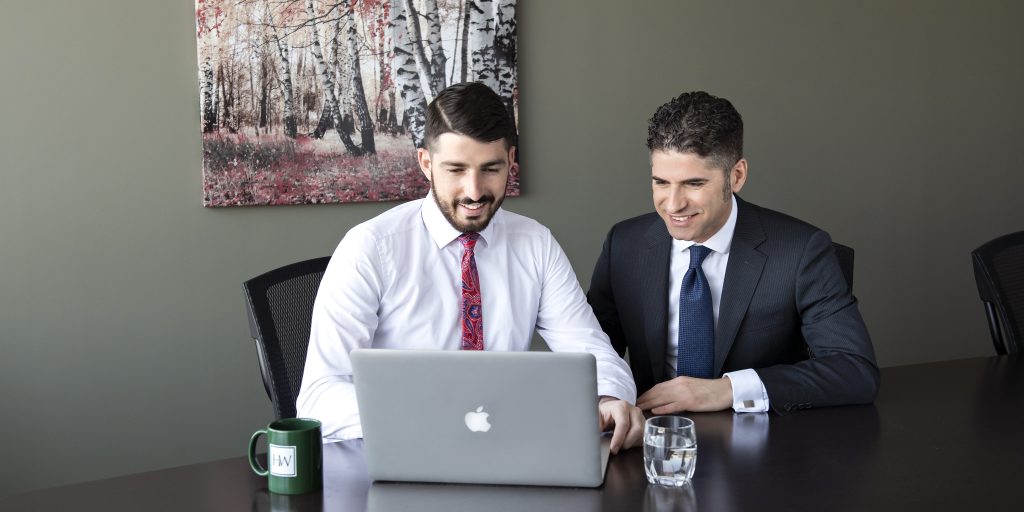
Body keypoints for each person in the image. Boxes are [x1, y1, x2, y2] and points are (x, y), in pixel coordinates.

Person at [297, 82, 644, 452]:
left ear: (512, 160)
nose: (475, 191)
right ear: (426, 164)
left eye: (491, 169)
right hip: (403, 452)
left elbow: (592, 351)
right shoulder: (370, 248)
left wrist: (608, 398)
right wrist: (439, 416)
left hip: (508, 451)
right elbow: (319, 397)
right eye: (456, 170)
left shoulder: (535, 244)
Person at [587, 91, 879, 415]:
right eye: (661, 182)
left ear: (736, 176)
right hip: (653, 440)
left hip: (763, 446)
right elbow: (590, 354)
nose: (673, 204)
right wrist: (607, 400)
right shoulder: (623, 245)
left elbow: (855, 370)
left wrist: (728, 389)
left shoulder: (802, 251)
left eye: (693, 183)